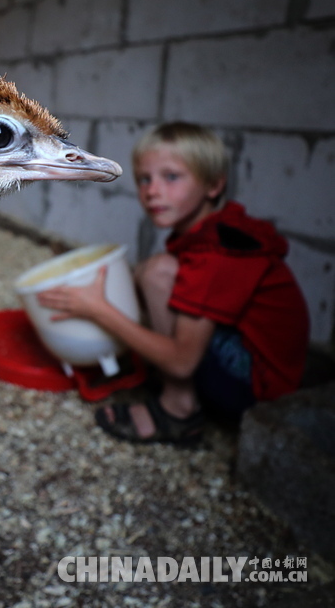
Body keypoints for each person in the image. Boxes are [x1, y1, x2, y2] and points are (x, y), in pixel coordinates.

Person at [36, 122, 309, 445]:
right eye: (144, 179)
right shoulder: (211, 229)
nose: (152, 191)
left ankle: (179, 411)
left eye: (171, 177)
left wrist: (98, 310)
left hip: (260, 391)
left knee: (157, 273)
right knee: (146, 274)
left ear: (213, 185)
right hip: (257, 367)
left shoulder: (218, 252)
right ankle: (165, 376)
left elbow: (182, 363)